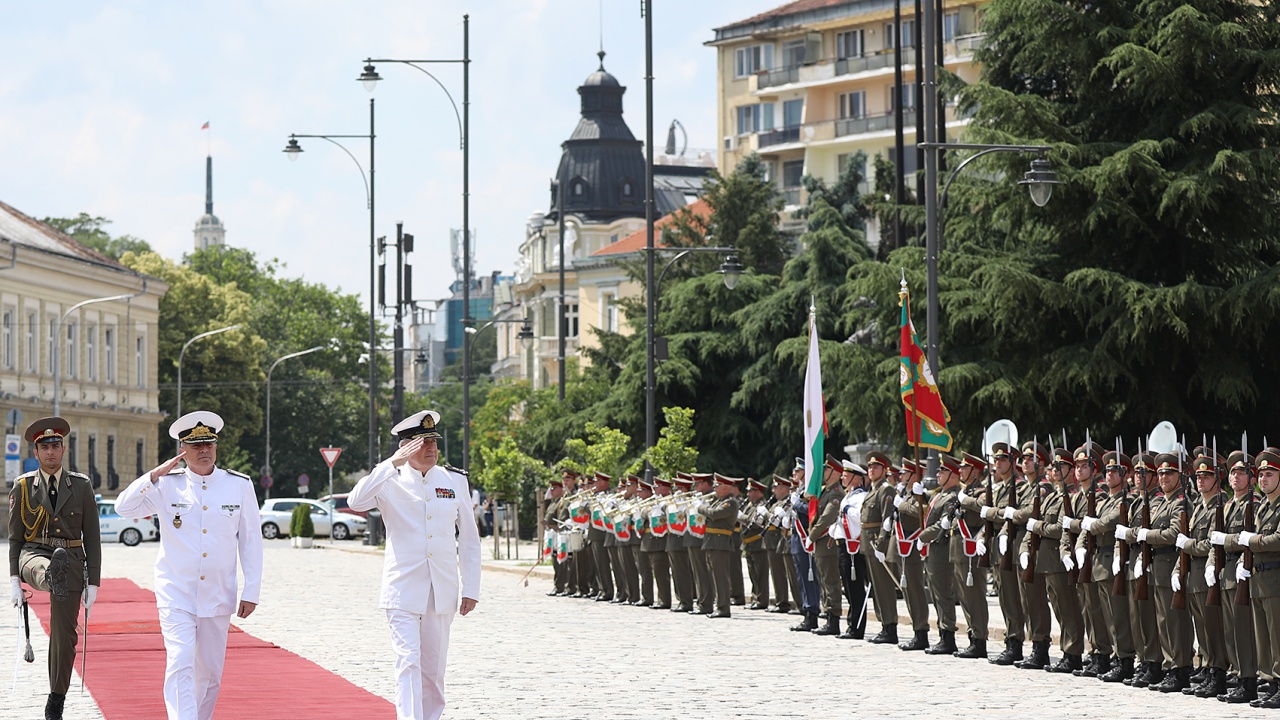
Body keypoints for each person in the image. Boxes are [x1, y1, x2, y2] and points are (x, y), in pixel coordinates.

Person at [115, 411, 262, 720]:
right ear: (183, 449)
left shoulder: (238, 485)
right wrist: (154, 475)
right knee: (181, 661)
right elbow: (123, 507)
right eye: (195, 446)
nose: (204, 450)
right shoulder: (167, 485)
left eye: (209, 444)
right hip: (176, 592)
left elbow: (251, 540)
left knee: (209, 673)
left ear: (217, 446)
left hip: (218, 593)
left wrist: (252, 590)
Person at [347, 409, 481, 720]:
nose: (432, 448)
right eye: (423, 443)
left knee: (433, 670)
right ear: (405, 448)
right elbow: (355, 501)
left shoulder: (454, 481)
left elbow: (471, 541)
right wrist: (389, 464)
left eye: (434, 441)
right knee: (408, 662)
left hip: (442, 590)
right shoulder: (389, 480)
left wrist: (471, 588)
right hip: (403, 589)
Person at [8, 416, 101, 720]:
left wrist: (93, 583)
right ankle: (49, 576)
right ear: (36, 453)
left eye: (55, 445)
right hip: (33, 554)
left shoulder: (82, 485)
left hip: (72, 560)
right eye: (44, 446)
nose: (50, 451)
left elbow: (93, 536)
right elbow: (15, 538)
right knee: (41, 567)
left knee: (65, 636)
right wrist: (12, 581)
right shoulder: (23, 486)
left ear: (64, 450)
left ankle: (55, 700)